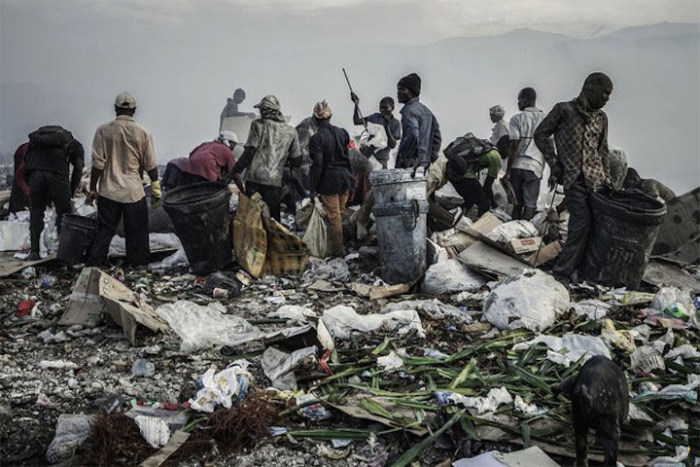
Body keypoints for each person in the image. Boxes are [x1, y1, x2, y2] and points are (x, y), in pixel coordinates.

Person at [534, 72, 614, 284]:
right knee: (581, 223)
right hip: (574, 177)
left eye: (609, 94)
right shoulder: (565, 110)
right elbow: (540, 134)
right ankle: (562, 273)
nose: (607, 98)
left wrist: (609, 181)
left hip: (597, 181)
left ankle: (584, 271)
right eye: (604, 93)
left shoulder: (601, 118)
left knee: (597, 226)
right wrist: (554, 162)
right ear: (592, 89)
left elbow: (603, 151)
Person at [86, 92, 161, 267]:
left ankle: (94, 265)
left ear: (115, 109)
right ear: (134, 110)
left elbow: (98, 164)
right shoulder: (143, 132)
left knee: (104, 230)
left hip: (108, 191)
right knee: (137, 233)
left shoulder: (103, 130)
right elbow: (150, 164)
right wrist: (156, 186)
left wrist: (92, 188)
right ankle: (138, 266)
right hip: (133, 191)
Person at [229, 95, 301, 222]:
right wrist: (282, 161)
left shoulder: (258, 125)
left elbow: (250, 151)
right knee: (273, 221)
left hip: (254, 180)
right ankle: (272, 241)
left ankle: (251, 241)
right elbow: (297, 160)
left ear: (265, 111)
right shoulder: (291, 131)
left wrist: (236, 170)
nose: (260, 112)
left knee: (250, 219)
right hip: (274, 183)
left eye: (261, 110)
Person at [24, 126, 84, 260]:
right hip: (58, 175)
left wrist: (32, 185)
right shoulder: (73, 143)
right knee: (64, 214)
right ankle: (63, 252)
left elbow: (26, 165)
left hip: (36, 174)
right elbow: (78, 168)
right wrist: (71, 191)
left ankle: (34, 252)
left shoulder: (36, 142)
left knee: (36, 212)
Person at [309, 101, 355, 257]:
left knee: (334, 218)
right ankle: (338, 246)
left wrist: (313, 188)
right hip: (345, 179)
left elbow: (318, 164)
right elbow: (348, 155)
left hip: (330, 181)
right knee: (339, 215)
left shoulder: (316, 139)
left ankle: (337, 252)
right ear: (331, 116)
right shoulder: (343, 133)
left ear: (315, 119)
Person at [504, 87, 545, 220]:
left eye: (519, 100)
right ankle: (525, 234)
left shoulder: (516, 119)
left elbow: (514, 145)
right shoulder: (545, 119)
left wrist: (508, 171)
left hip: (517, 166)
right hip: (534, 167)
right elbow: (549, 145)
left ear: (525, 100)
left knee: (517, 205)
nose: (518, 103)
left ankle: (513, 234)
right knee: (530, 206)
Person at [395, 73, 441, 169]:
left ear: (412, 92)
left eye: (402, 89)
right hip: (424, 164)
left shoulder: (408, 110)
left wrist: (404, 158)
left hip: (410, 164)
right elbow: (436, 138)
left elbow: (412, 134)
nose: (398, 92)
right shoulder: (427, 111)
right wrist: (430, 158)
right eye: (398, 89)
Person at [350, 93, 401, 169]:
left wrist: (386, 127)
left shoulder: (395, 123)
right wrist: (356, 104)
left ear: (392, 108)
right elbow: (356, 121)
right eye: (381, 108)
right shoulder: (375, 117)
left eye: (386, 107)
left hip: (381, 160)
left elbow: (392, 145)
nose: (382, 110)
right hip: (368, 157)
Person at [451, 148, 502, 218]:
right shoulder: (497, 158)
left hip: (453, 174)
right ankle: (479, 226)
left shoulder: (488, 150)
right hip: (466, 176)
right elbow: (487, 187)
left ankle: (454, 217)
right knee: (484, 203)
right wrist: (494, 204)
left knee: (470, 199)